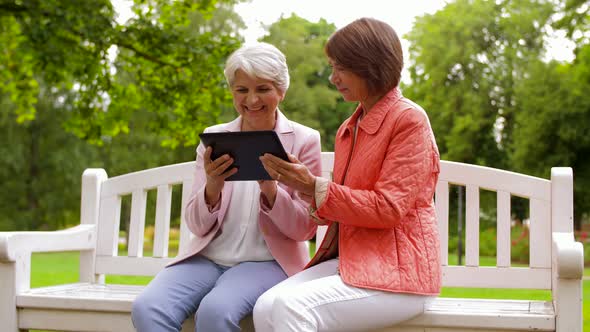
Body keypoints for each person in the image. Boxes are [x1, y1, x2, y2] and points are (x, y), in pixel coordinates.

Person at [254, 18, 441, 332]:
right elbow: (341, 210)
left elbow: (387, 209)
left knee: (290, 308)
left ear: (369, 65)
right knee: (266, 307)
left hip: (402, 274)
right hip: (355, 263)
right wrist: (299, 185)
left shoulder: (409, 120)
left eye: (340, 68)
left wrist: (313, 185)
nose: (332, 78)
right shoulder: (349, 128)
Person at [131, 42, 322, 332]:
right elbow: (196, 225)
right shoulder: (214, 137)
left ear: (281, 91)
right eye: (242, 90)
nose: (252, 100)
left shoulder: (304, 140)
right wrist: (212, 188)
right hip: (207, 258)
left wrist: (271, 191)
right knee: (148, 308)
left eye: (263, 89)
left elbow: (304, 229)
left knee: (215, 311)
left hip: (267, 262)